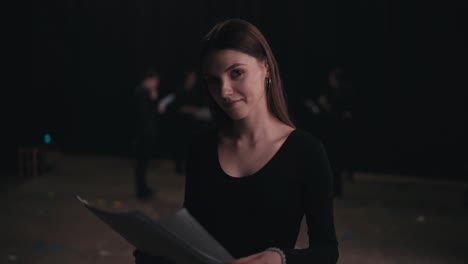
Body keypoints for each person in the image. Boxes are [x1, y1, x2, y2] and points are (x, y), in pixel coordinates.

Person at [134, 19, 339, 264]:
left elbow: (326, 251)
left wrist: (280, 259)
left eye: (236, 73)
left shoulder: (307, 151)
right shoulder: (202, 147)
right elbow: (192, 237)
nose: (224, 91)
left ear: (266, 68)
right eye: (213, 80)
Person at [133, 69, 160, 200]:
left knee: (143, 163)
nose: (156, 85)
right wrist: (154, 102)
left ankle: (144, 188)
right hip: (142, 134)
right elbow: (145, 116)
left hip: (144, 133)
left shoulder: (143, 92)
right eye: (155, 82)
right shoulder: (141, 93)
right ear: (149, 80)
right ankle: (141, 191)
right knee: (141, 163)